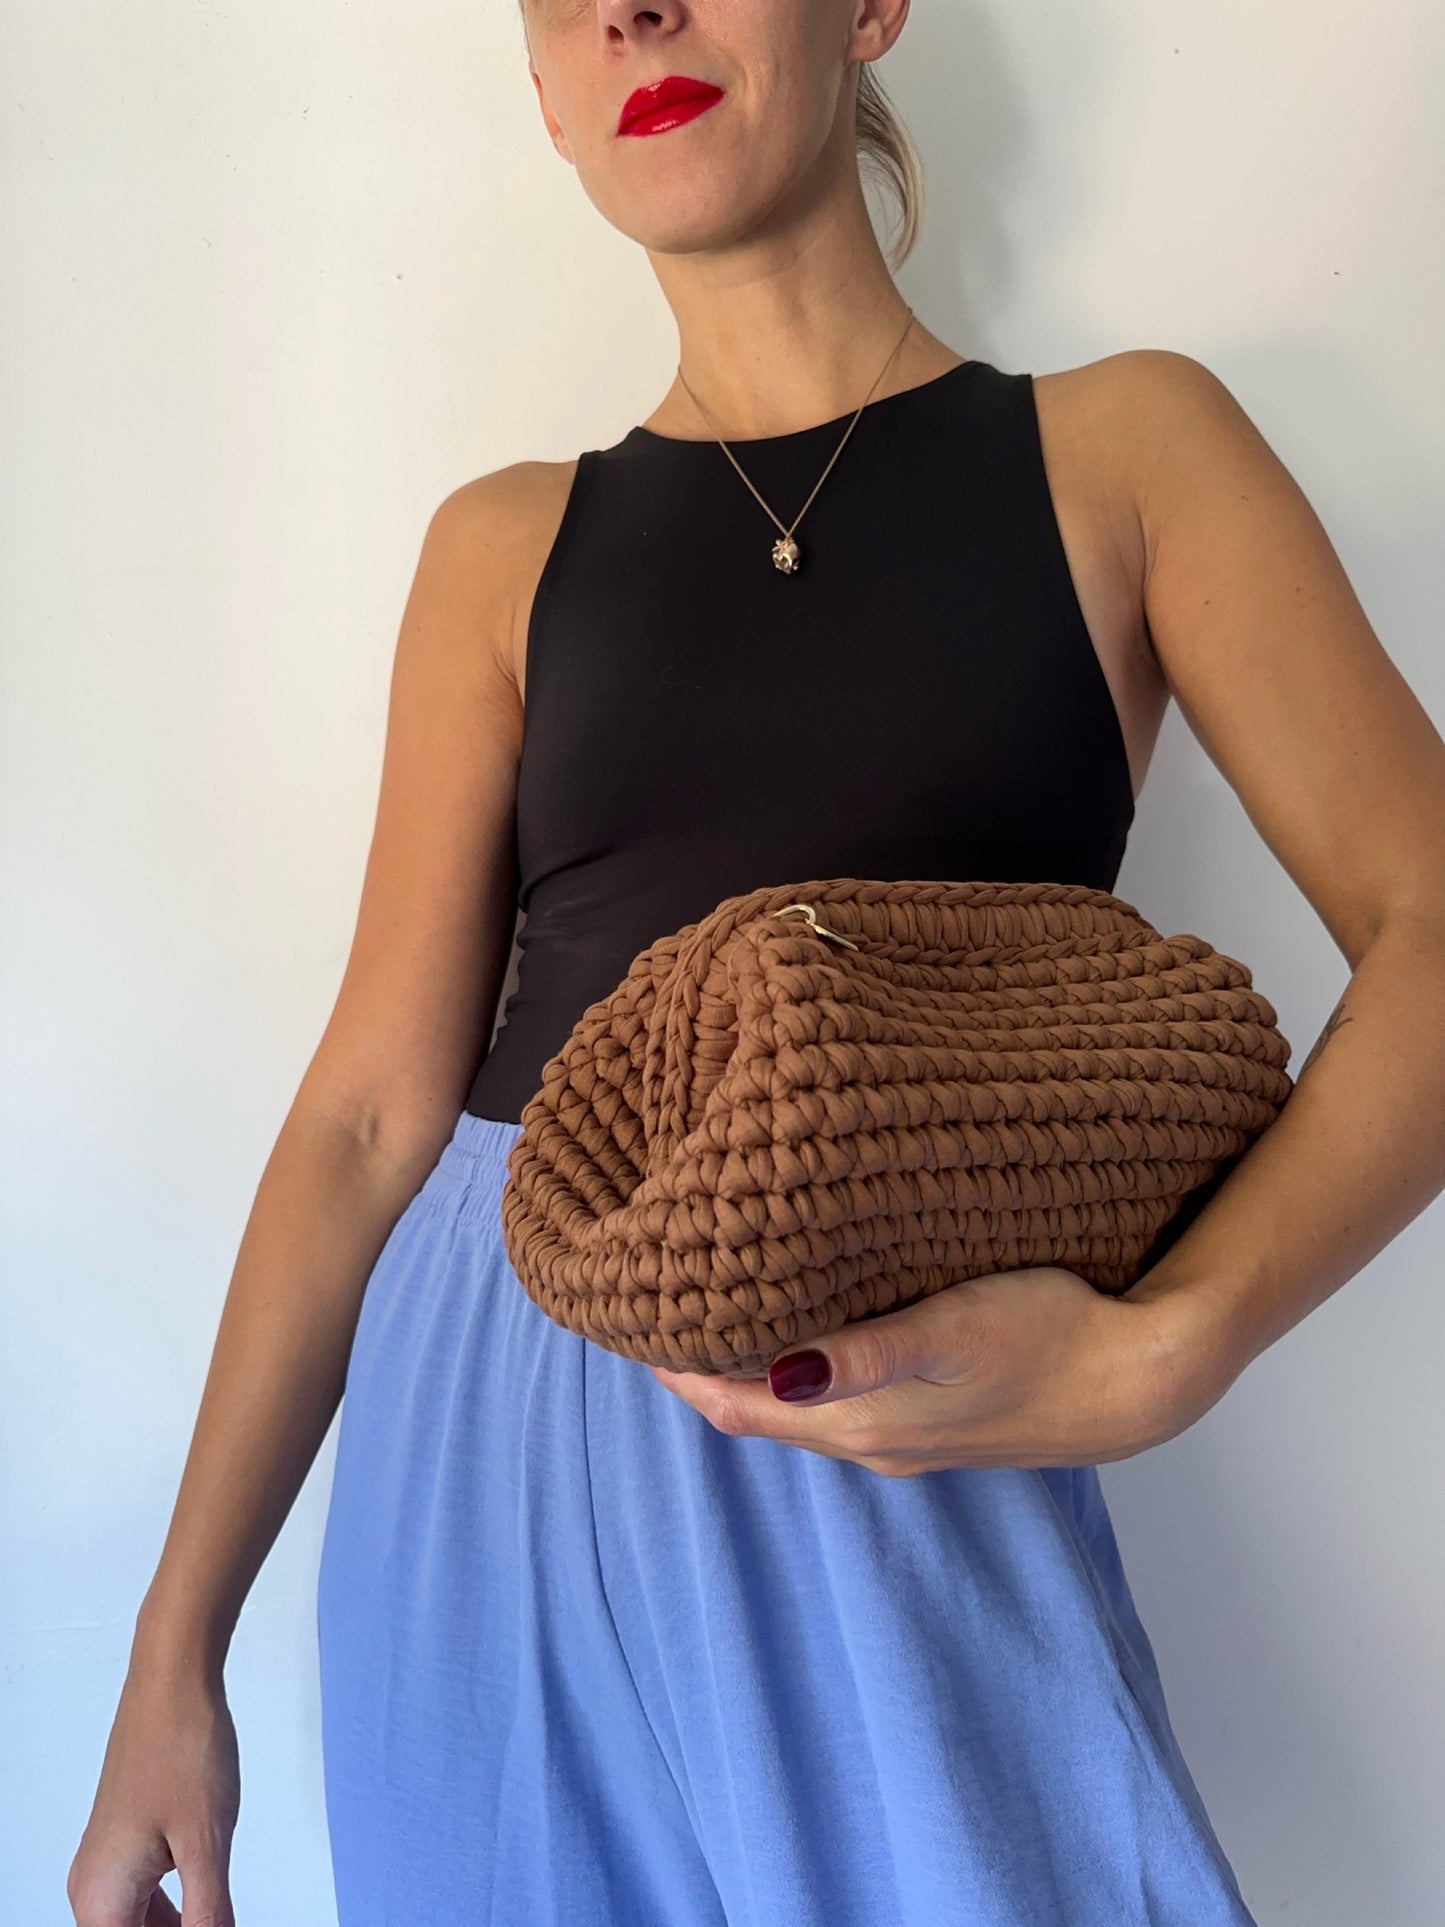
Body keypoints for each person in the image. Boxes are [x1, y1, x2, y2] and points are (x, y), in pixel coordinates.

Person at [68, 3, 1445, 1924]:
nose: (630, 10)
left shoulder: (1128, 450)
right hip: (493, 1439)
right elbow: (369, 1119)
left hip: (897, 1429)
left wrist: (1166, 1351)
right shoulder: (502, 547)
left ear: (867, 6)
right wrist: (173, 1649)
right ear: (547, 103)